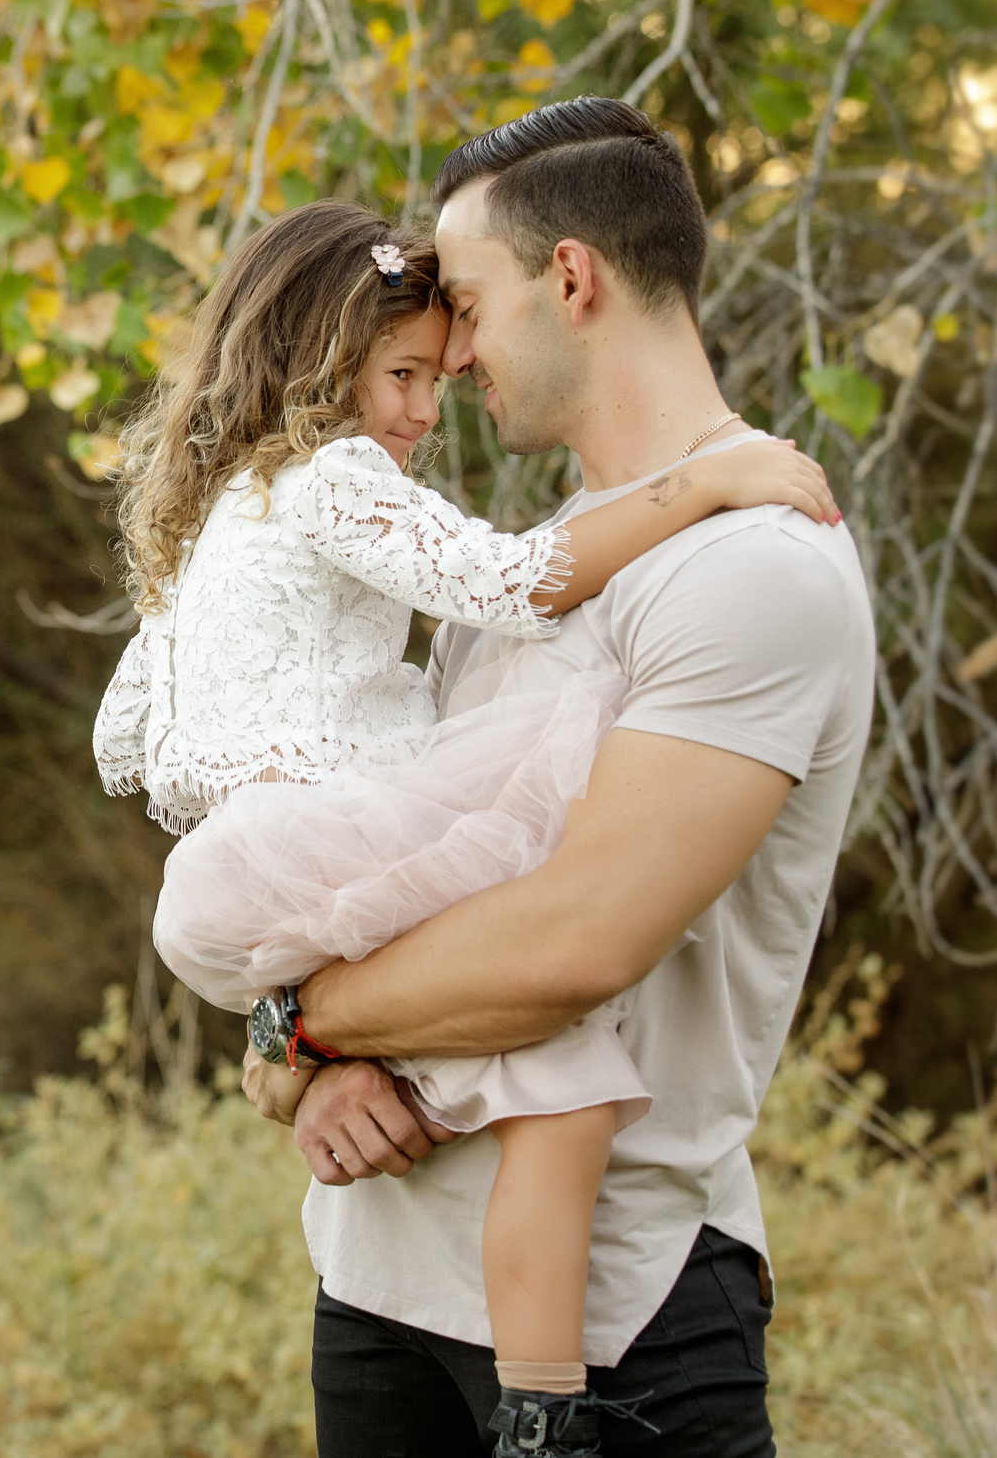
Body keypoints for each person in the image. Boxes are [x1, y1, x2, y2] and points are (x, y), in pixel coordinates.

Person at [89, 195, 841, 1456]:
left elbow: (565, 952)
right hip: (375, 1276)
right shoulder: (382, 509)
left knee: (562, 1081)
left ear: (573, 277)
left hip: (637, 1295)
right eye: (408, 370)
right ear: (320, 362)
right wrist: (304, 1047)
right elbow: (504, 581)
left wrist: (298, 1032)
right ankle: (543, 1410)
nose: (435, 401)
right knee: (560, 1088)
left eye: (458, 341)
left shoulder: (753, 567)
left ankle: (546, 1398)